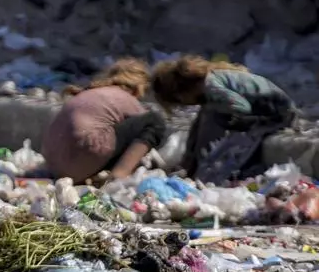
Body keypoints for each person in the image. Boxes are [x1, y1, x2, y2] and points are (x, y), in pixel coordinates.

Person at [152, 56, 297, 180]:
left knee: (212, 118)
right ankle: (192, 167)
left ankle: (204, 173)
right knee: (206, 117)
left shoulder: (212, 87)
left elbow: (242, 107)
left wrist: (226, 118)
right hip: (267, 111)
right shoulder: (211, 82)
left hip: (278, 114)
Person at [41, 59, 167, 183]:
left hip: (54, 166)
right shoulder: (125, 97)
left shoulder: (90, 93)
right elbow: (146, 131)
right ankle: (118, 176)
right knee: (155, 120)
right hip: (80, 159)